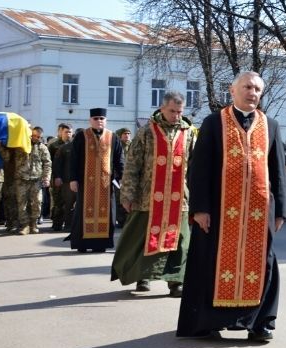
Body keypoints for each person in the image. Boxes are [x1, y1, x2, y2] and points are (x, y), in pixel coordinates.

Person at [176, 72, 286, 341]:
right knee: (211, 264)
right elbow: (199, 169)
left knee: (263, 264)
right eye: (247, 87)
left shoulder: (270, 125)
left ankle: (260, 322)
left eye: (258, 89)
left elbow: (279, 169)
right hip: (219, 211)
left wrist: (281, 209)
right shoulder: (214, 123)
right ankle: (209, 321)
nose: (253, 93)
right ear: (233, 90)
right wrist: (200, 208)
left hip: (260, 213)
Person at [112, 92, 195, 295]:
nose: (176, 115)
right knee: (144, 239)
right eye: (172, 111)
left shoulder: (189, 132)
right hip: (147, 197)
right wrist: (127, 194)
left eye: (179, 111)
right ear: (162, 108)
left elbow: (195, 166)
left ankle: (176, 281)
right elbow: (132, 165)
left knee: (180, 242)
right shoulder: (147, 131)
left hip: (179, 199)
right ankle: (143, 277)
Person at [68, 109, 125, 253]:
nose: (99, 120)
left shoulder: (113, 137)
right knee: (83, 212)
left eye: (101, 118)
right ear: (90, 120)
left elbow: (119, 159)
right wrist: (73, 179)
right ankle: (82, 244)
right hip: (85, 182)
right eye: (95, 118)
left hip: (106, 183)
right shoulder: (82, 136)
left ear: (105, 120)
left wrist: (122, 177)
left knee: (106, 213)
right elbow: (73, 159)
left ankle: (100, 244)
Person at [10, 129, 52, 235]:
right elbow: (9, 158)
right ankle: (25, 226)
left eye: (39, 137)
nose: (36, 138)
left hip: (36, 180)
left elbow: (47, 164)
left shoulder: (43, 148)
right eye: (34, 136)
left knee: (37, 202)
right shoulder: (20, 146)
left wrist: (46, 177)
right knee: (21, 203)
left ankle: (33, 224)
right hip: (21, 179)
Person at [48, 124, 72, 232]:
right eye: (66, 132)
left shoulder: (73, 144)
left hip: (68, 178)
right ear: (60, 132)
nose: (68, 134)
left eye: (70, 132)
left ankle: (68, 223)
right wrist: (54, 176)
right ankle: (56, 223)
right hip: (57, 177)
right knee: (57, 201)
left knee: (68, 202)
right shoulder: (53, 145)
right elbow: (50, 162)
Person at [115, 127, 134, 228]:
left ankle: (129, 220)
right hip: (119, 177)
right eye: (125, 134)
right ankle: (121, 220)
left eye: (128, 134)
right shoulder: (117, 146)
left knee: (131, 198)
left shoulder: (133, 145)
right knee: (120, 198)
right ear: (120, 135)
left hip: (131, 176)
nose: (127, 136)